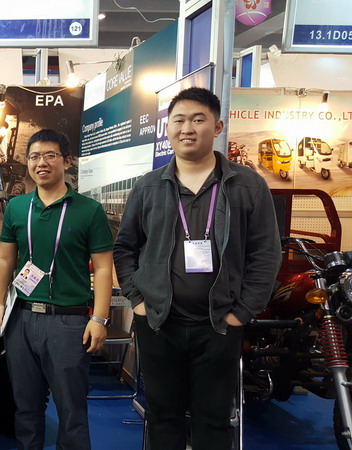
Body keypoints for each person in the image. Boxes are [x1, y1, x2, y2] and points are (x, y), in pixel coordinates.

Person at [113, 87, 280, 450]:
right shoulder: (148, 186)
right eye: (179, 120)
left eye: (198, 119)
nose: (187, 128)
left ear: (217, 127)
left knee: (214, 420)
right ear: (168, 128)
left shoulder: (246, 185)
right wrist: (137, 300)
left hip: (219, 325)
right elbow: (125, 248)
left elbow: (266, 254)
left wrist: (241, 313)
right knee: (162, 416)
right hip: (159, 323)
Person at [0, 129, 113, 449]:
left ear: (66, 161)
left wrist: (99, 318)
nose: (41, 163)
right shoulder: (17, 208)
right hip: (21, 318)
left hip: (69, 322)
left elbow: (103, 268)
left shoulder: (89, 210)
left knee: (71, 410)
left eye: (49, 155)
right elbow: (5, 259)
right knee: (26, 407)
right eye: (34, 156)